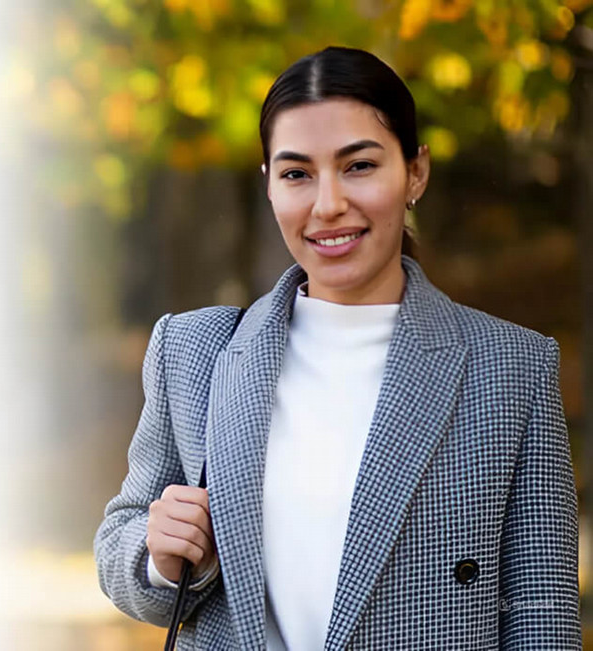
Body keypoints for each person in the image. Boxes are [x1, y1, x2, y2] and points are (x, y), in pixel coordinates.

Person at [93, 46, 581, 650]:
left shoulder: (512, 367)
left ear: (416, 173)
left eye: (359, 166)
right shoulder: (192, 352)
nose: (328, 205)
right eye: (297, 173)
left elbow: (542, 609)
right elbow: (121, 542)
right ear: (269, 185)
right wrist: (160, 557)